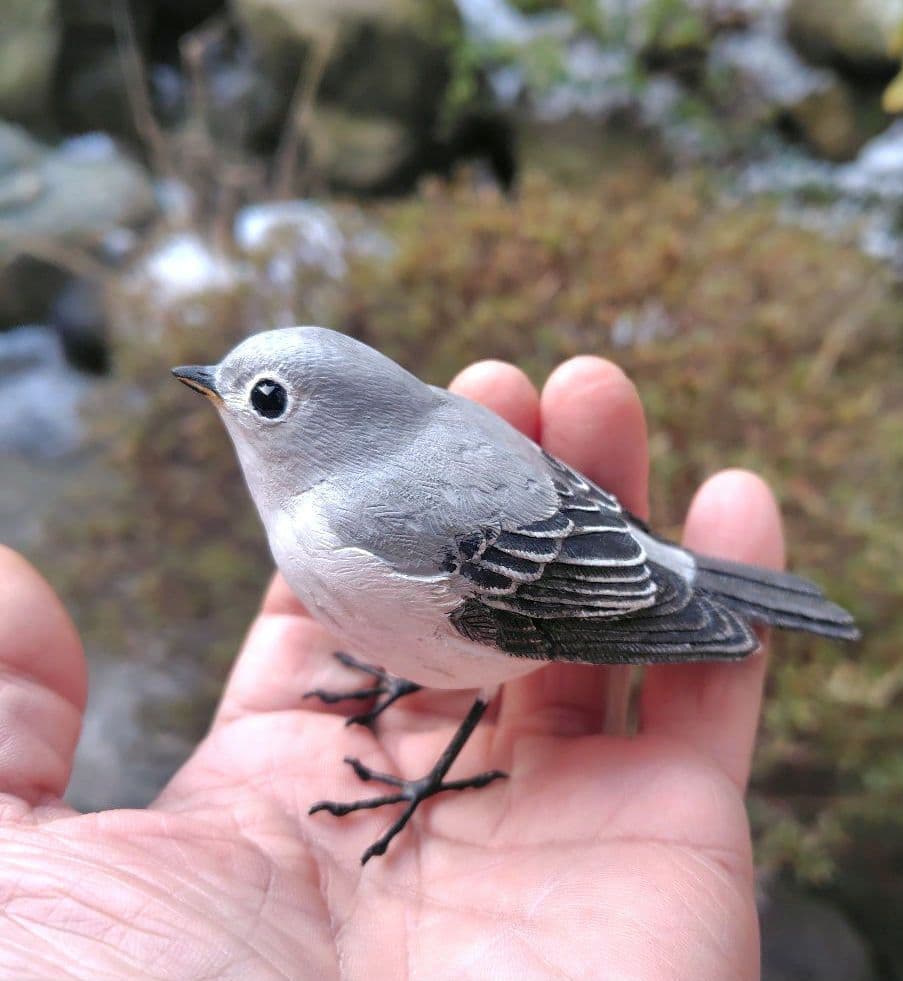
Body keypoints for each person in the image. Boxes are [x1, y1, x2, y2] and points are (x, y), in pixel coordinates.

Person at [0, 356, 778, 979]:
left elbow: (519, 612)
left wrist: (426, 773)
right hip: (580, 540)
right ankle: (418, 670)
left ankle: (426, 769)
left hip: (565, 591)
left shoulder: (350, 519)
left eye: (263, 396)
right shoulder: (386, 459)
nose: (225, 395)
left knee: (475, 683)